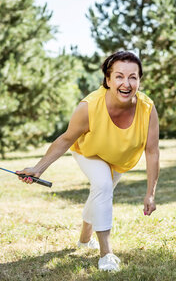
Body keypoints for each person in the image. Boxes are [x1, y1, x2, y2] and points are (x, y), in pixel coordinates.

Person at [17, 51, 160, 272]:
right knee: (102, 186)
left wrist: (150, 192)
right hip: (89, 151)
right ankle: (106, 254)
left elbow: (152, 151)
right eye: (119, 76)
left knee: (99, 193)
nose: (126, 83)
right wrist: (38, 168)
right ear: (108, 80)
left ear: (139, 80)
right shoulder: (89, 107)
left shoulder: (147, 109)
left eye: (133, 77)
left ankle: (84, 239)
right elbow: (65, 139)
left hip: (118, 160)